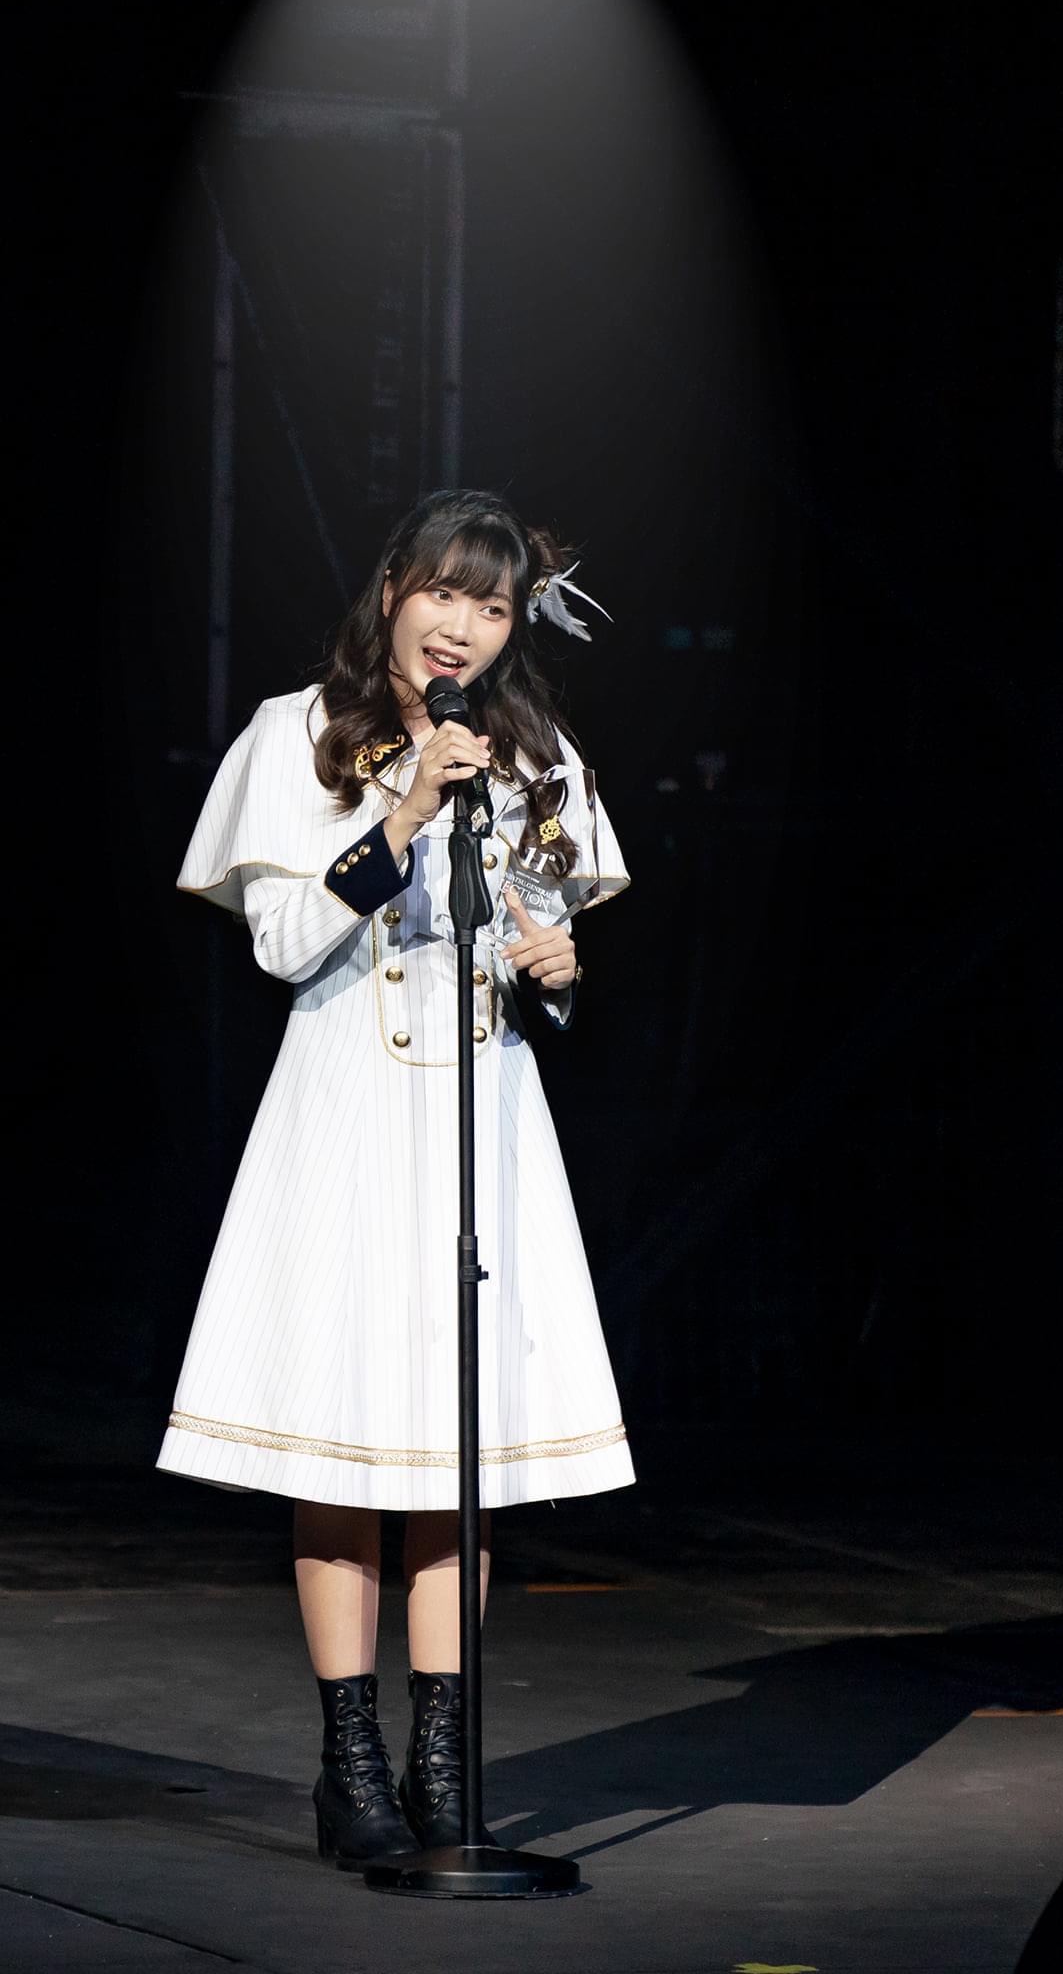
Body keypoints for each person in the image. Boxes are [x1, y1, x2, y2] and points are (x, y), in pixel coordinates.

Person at [155, 487, 634, 1869]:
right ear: (390, 595)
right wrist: (407, 808)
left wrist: (555, 966)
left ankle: (440, 1751)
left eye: (492, 605)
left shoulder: (534, 757)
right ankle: (349, 1752)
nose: (461, 626)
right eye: (443, 594)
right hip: (347, 1112)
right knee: (341, 1439)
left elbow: (537, 944)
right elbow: (283, 943)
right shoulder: (298, 733)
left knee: (451, 1453)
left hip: (480, 1120)